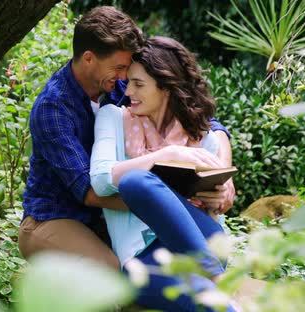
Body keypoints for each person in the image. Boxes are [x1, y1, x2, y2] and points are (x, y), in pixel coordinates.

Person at [18, 6, 234, 269]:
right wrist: (166, 202)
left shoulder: (120, 83)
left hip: (113, 219)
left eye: (128, 69)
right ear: (88, 58)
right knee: (111, 272)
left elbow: (205, 122)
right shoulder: (53, 108)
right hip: (56, 218)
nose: (124, 78)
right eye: (119, 67)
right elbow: (87, 191)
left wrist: (223, 175)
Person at [90, 36, 236, 311]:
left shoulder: (202, 135)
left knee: (135, 180)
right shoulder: (112, 117)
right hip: (142, 258)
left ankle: (215, 273)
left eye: (138, 84)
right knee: (135, 181)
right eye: (129, 81)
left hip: (204, 243)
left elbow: (220, 206)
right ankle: (221, 286)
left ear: (166, 87)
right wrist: (166, 156)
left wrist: (218, 196)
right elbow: (100, 180)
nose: (128, 90)